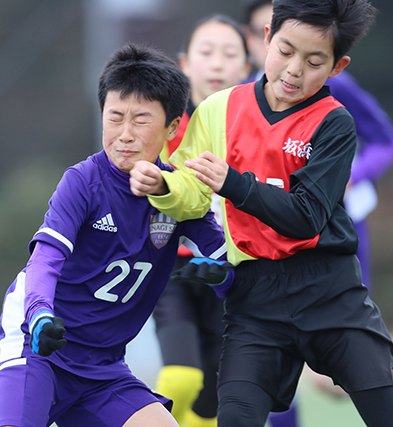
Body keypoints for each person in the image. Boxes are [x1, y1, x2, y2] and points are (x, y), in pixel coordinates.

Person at [129, 0, 393, 426]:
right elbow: (193, 192)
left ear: (336, 67)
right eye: (286, 51)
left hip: (330, 295)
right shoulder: (220, 109)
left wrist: (233, 182)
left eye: (314, 61)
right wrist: (165, 186)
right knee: (235, 419)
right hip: (253, 301)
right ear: (267, 39)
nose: (295, 70)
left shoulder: (334, 123)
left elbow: (305, 217)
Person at [0, 43, 232, 427]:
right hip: (39, 349)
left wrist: (221, 274)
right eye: (115, 117)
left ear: (172, 126)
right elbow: (44, 260)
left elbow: (227, 262)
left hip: (102, 369)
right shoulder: (82, 182)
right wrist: (40, 315)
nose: (124, 134)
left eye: (141, 120)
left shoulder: (178, 194)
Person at [240, 0, 393, 406]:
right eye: (280, 43)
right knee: (266, 360)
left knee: (365, 358)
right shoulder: (236, 99)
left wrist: (350, 176)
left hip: (333, 232)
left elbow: (387, 142)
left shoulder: (333, 90)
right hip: (262, 245)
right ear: (260, 38)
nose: (295, 62)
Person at [151, 14, 250, 427]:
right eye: (205, 53)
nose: (216, 64)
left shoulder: (256, 129)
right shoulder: (162, 125)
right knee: (180, 377)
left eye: (229, 54)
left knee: (216, 394)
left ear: (246, 68)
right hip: (171, 266)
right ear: (185, 64)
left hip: (231, 269)